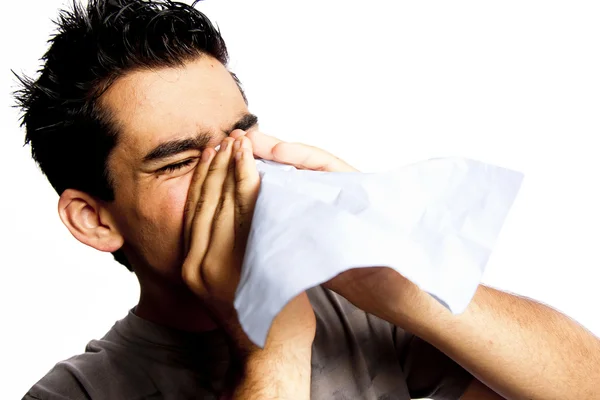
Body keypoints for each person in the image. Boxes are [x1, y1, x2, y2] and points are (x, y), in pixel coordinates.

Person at [14, 1, 599, 399]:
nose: (243, 173)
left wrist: (395, 272)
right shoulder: (76, 393)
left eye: (242, 139)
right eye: (183, 161)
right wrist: (272, 356)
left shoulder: (357, 309)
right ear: (93, 219)